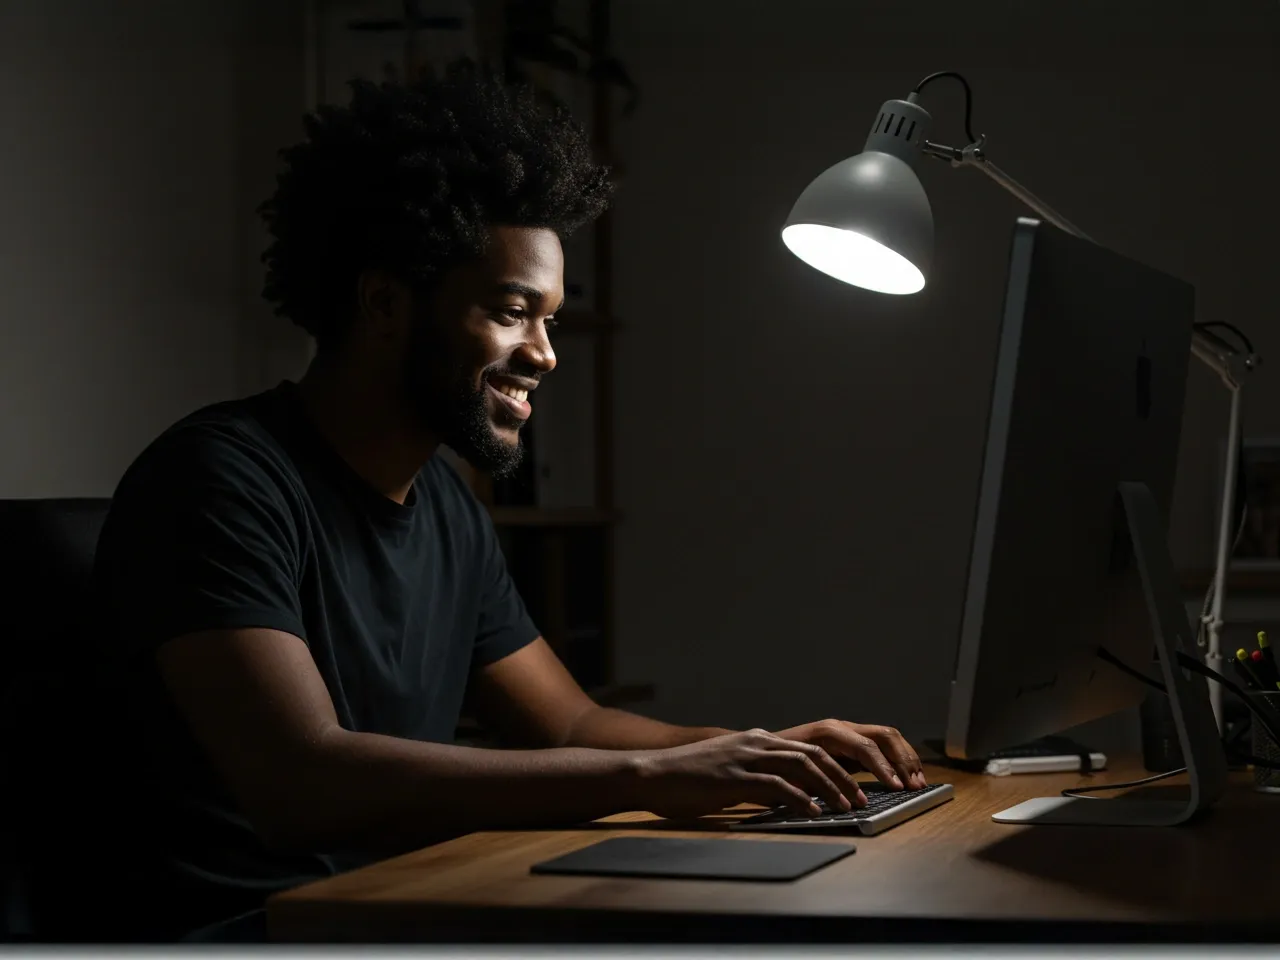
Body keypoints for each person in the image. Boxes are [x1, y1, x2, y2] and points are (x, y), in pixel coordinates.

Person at [92, 63, 925, 941]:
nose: (544, 354)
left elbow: (569, 723)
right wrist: (651, 779)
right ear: (384, 302)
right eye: (512, 310)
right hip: (249, 931)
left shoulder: (446, 506)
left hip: (405, 906)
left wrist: (760, 753)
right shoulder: (217, 480)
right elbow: (303, 783)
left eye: (550, 319)